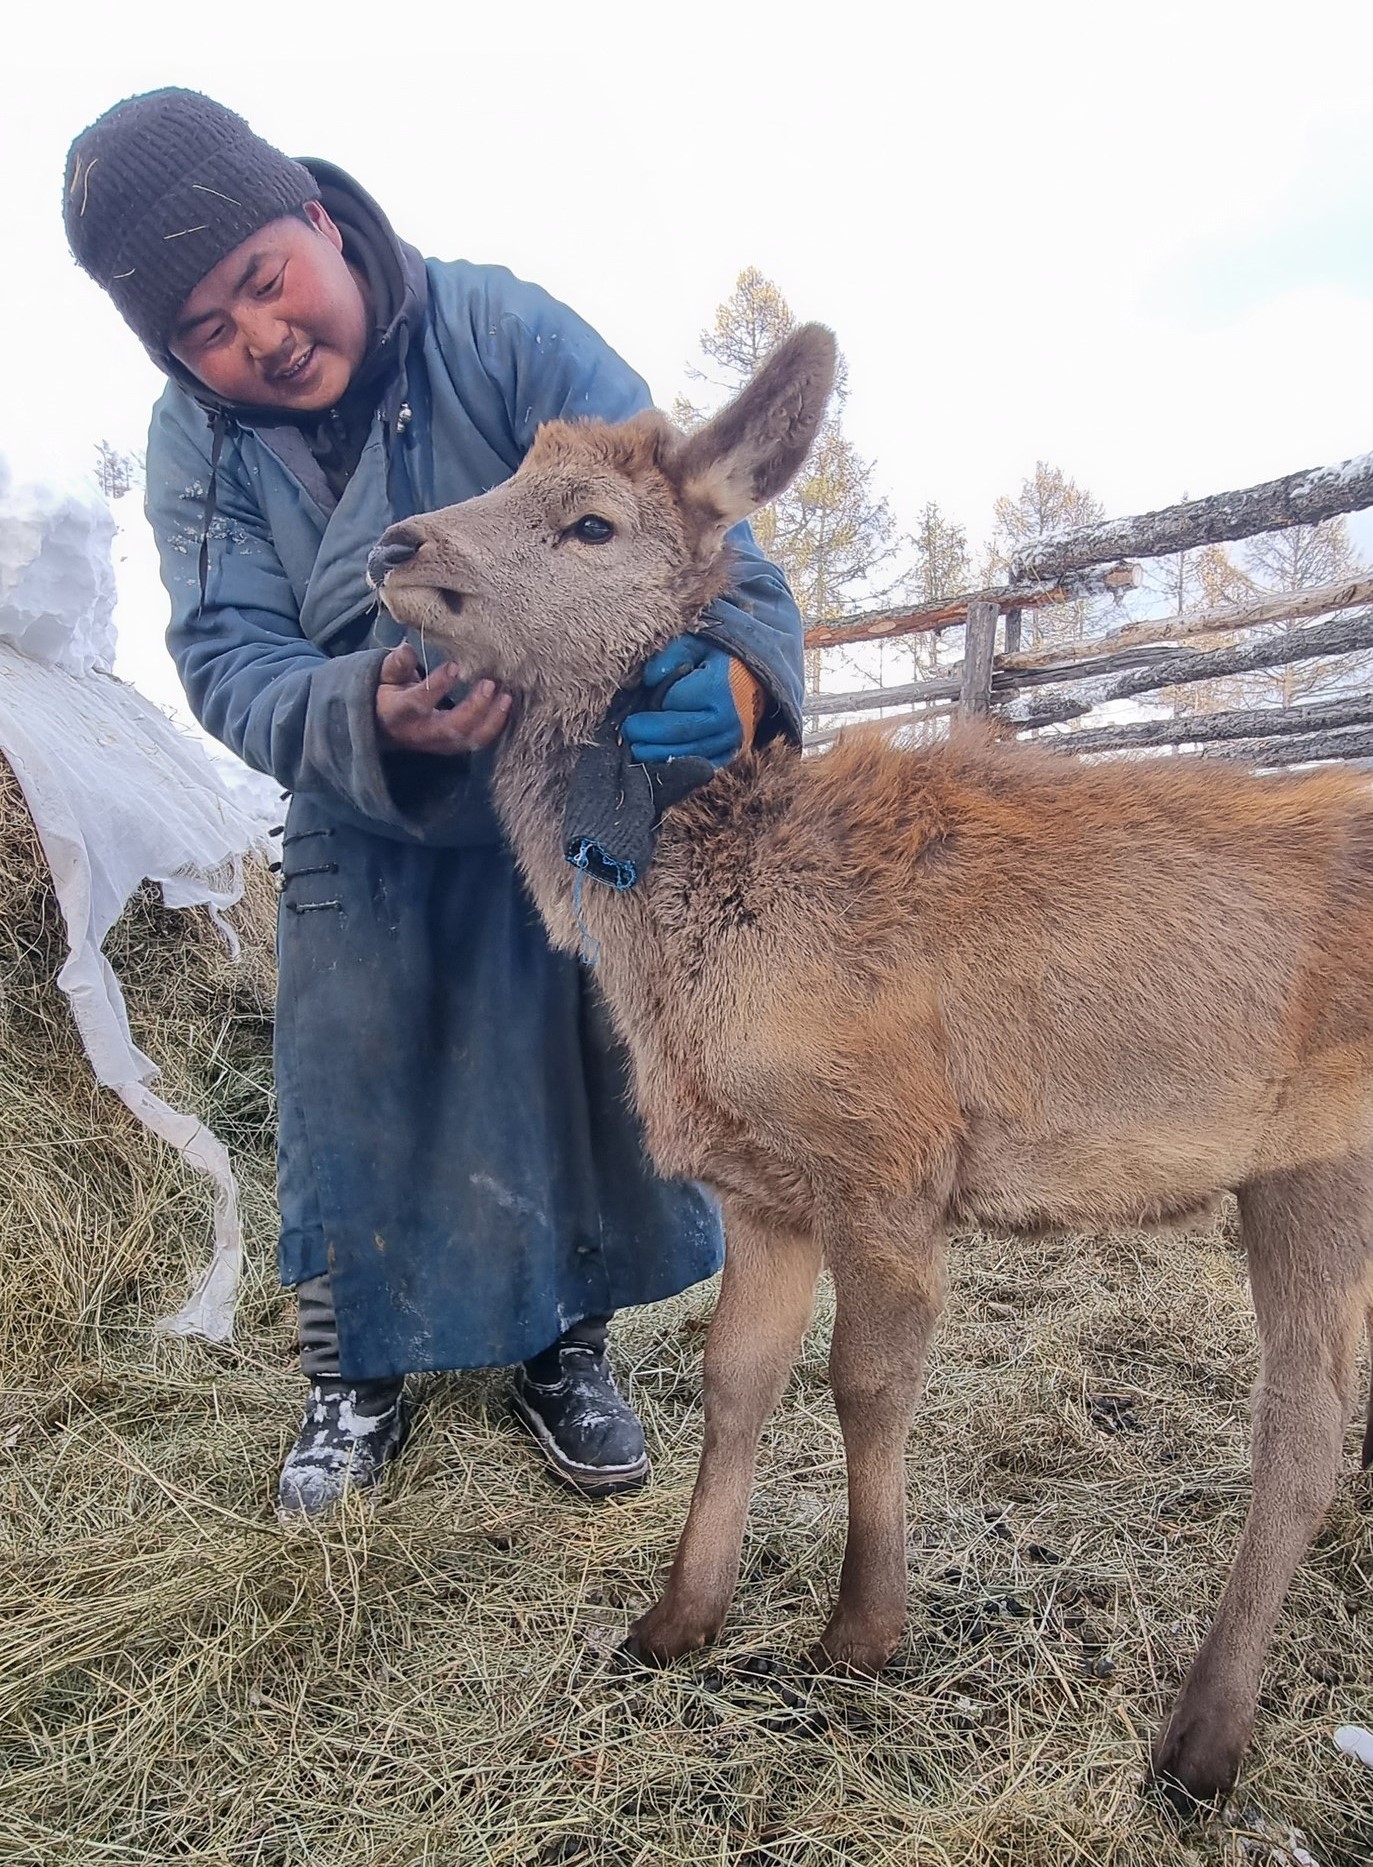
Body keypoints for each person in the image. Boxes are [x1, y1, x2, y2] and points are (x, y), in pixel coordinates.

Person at [62, 89, 805, 1516]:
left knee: (572, 1075)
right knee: (356, 1086)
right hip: (371, 816)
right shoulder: (198, 449)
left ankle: (560, 1345)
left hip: (569, 792)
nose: (257, 338)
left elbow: (682, 511)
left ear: (322, 223)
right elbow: (226, 651)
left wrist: (740, 673)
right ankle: (356, 1381)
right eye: (203, 330)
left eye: (261, 281)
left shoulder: (498, 330)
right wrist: (361, 713)